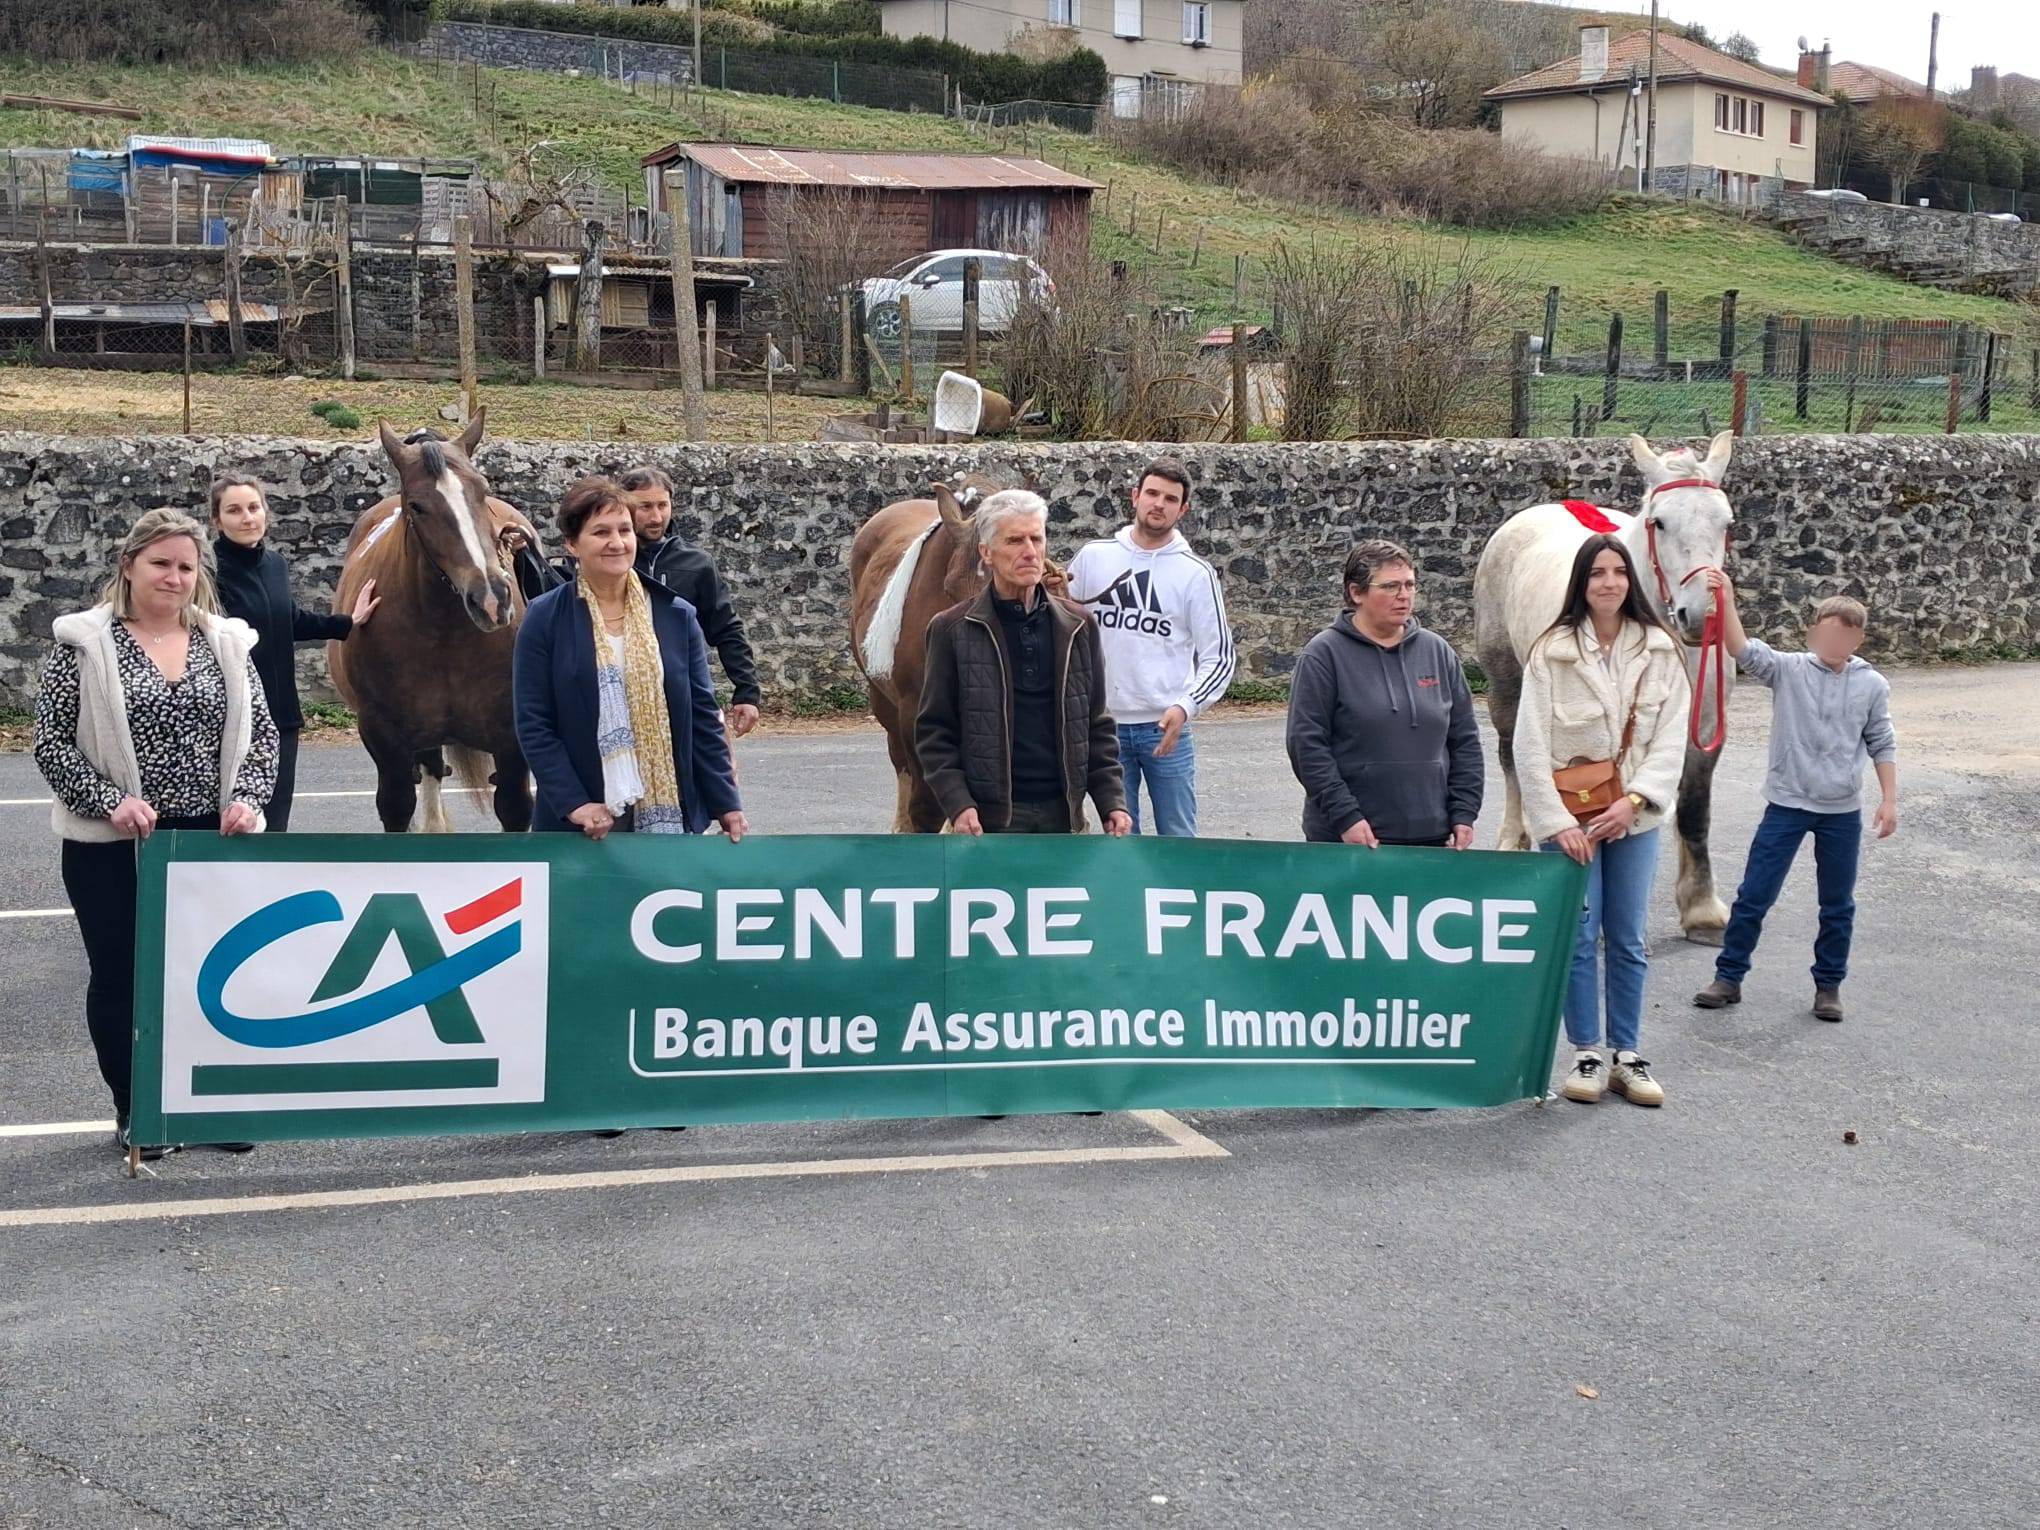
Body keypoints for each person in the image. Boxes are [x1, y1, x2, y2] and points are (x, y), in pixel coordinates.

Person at [33, 508, 278, 1159]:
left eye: (185, 566)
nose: (173, 577)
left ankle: (202, 1108)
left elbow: (264, 735)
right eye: (160, 564)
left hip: (206, 842)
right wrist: (109, 801)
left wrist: (249, 799)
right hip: (112, 844)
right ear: (129, 565)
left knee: (209, 977)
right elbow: (51, 742)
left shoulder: (225, 643)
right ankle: (136, 1110)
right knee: (121, 975)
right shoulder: (83, 644)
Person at [1514, 533, 1689, 1109]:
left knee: (1629, 935)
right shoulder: (1552, 652)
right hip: (1572, 821)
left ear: (1630, 580)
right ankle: (1585, 1052)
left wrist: (1636, 801)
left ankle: (1628, 1054)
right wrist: (1554, 820)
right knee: (1578, 936)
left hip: (1632, 819)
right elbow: (1530, 743)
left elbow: (1670, 739)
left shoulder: (1662, 650)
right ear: (1581, 584)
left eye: (1618, 571)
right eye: (1597, 573)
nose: (1608, 582)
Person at [1693, 583, 1898, 1023]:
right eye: (1825, 635)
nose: (1832, 645)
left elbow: (1882, 741)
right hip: (1786, 805)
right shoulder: (1788, 670)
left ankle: (1828, 987)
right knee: (1753, 896)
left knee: (1837, 904)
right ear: (1811, 634)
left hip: (1841, 811)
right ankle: (1728, 978)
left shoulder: (1872, 685)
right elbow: (1739, 647)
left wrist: (1889, 800)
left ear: (1858, 640)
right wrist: (1725, 596)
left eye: (1843, 638)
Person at [513, 476, 746, 843]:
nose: (617, 542)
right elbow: (533, 723)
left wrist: (726, 802)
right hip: (582, 819)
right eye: (601, 532)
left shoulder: (676, 616)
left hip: (667, 806)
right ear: (573, 544)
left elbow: (702, 716)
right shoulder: (544, 618)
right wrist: (576, 804)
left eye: (624, 530)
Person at [916, 489, 1131, 837]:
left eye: (1036, 538)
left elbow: (1097, 725)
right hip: (990, 824)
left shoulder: (1079, 627)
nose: (1030, 552)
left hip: (1063, 819)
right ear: (986, 552)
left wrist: (1112, 802)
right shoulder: (951, 630)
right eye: (1015, 540)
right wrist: (958, 803)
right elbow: (934, 732)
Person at [1065, 458, 1235, 836]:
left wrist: (1185, 706)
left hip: (1165, 728)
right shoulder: (1094, 557)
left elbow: (1219, 657)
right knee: (1121, 841)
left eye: (1170, 499)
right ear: (1135, 496)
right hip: (1104, 727)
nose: (1159, 504)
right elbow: (1060, 624)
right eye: (1152, 493)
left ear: (1183, 509)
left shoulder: (1195, 573)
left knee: (1178, 838)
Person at [1285, 539, 1482, 849]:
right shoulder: (1323, 655)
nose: (1403, 596)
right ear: (1356, 592)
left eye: (1409, 585)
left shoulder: (1438, 652)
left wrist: (1464, 812)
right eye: (1390, 587)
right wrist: (1346, 818)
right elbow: (1307, 746)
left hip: (1430, 837)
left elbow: (1465, 740)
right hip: (1349, 839)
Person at [208, 474, 378, 831]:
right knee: (228, 824)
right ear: (216, 519)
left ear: (266, 512)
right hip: (228, 718)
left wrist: (348, 622)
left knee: (275, 825)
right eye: (234, 510)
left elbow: (290, 621)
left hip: (280, 716)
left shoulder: (274, 564)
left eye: (254, 508)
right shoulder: (206, 572)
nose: (247, 518)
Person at [619, 467, 762, 740]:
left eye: (663, 505)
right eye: (645, 507)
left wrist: (747, 692)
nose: (656, 516)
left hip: (685, 693)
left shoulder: (697, 564)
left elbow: (726, 629)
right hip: (621, 692)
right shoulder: (607, 561)